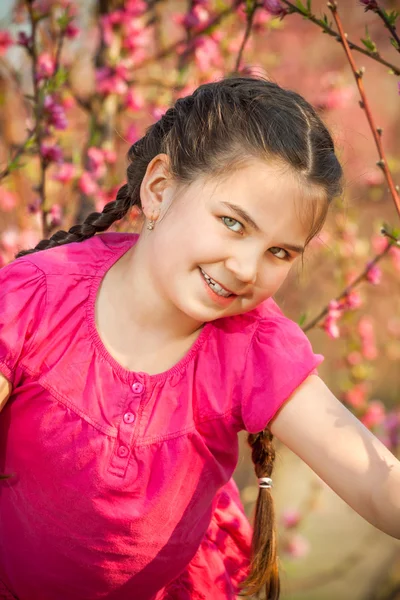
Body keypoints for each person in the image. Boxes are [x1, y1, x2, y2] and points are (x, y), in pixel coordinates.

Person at [0, 75, 398, 600]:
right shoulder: (38, 297)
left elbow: (373, 480)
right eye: (233, 223)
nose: (245, 268)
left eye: (280, 252)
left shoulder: (251, 348)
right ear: (160, 188)